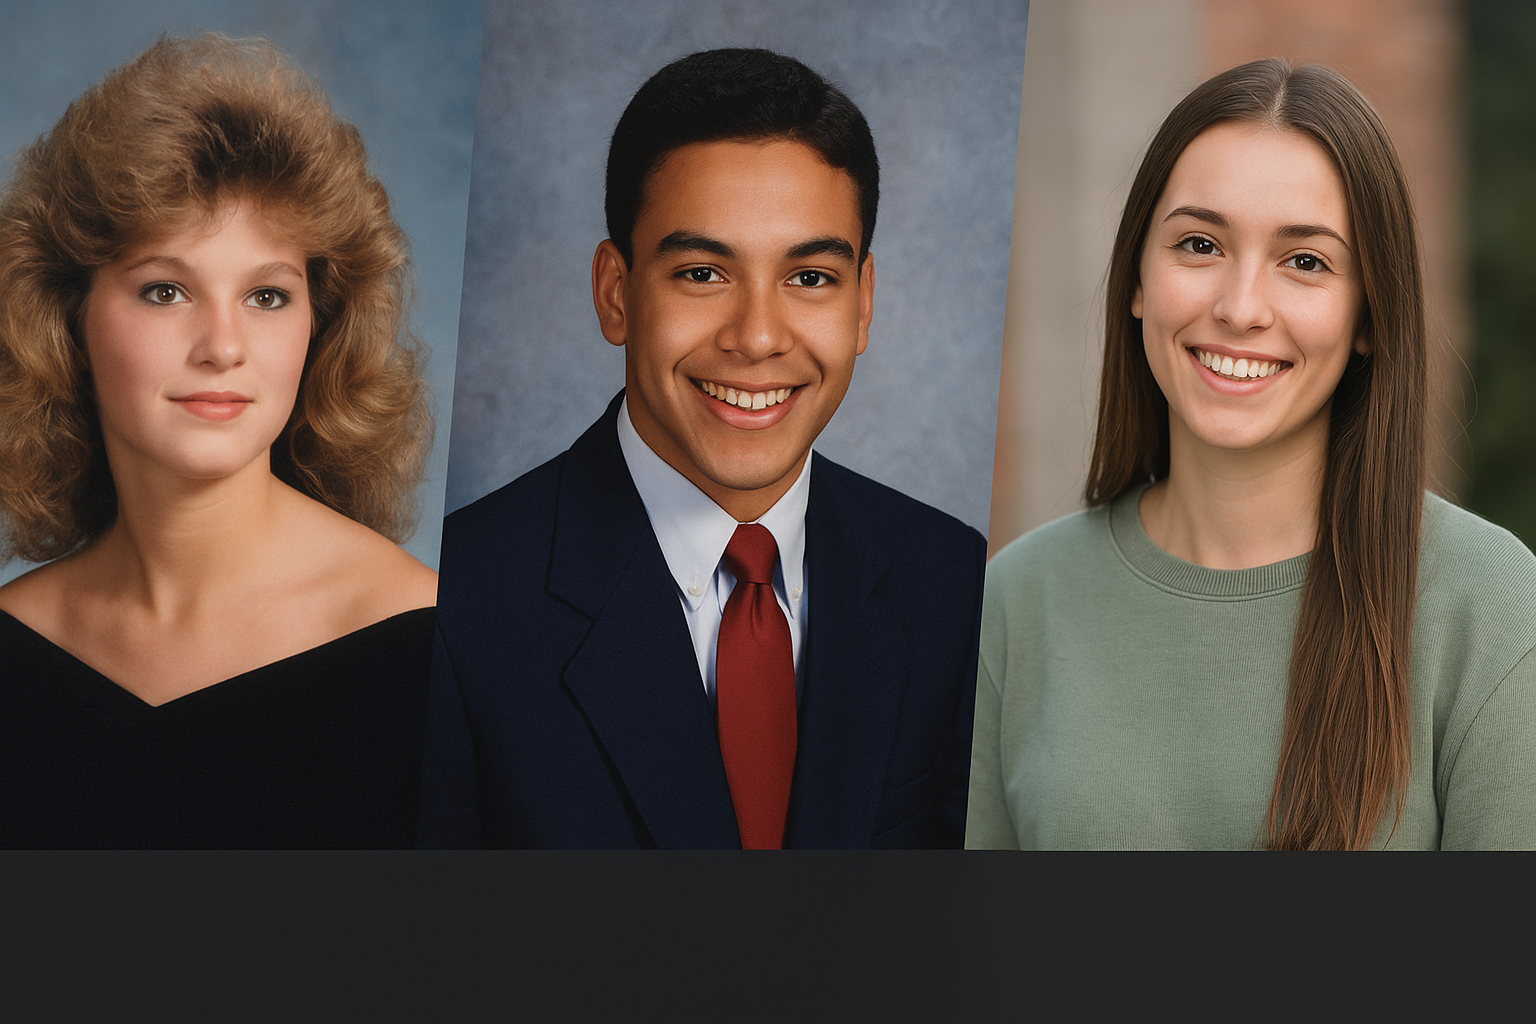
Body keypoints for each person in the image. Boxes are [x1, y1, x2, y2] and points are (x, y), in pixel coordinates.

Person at [966, 58, 1536, 851]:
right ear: (1137, 279)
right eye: (1199, 244)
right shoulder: (1010, 610)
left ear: (1369, 317)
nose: (1239, 308)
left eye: (1305, 261)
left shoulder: (1494, 610)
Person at [422, 47, 985, 849]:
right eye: (701, 273)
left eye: (811, 279)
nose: (757, 338)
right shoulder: (457, 606)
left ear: (864, 304)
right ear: (616, 295)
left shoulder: (952, 583)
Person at [0, 34, 439, 848]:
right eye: (165, 290)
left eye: (268, 295)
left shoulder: (437, 649)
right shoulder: (14, 648)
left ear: (321, 325)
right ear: (66, 318)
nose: (223, 346)